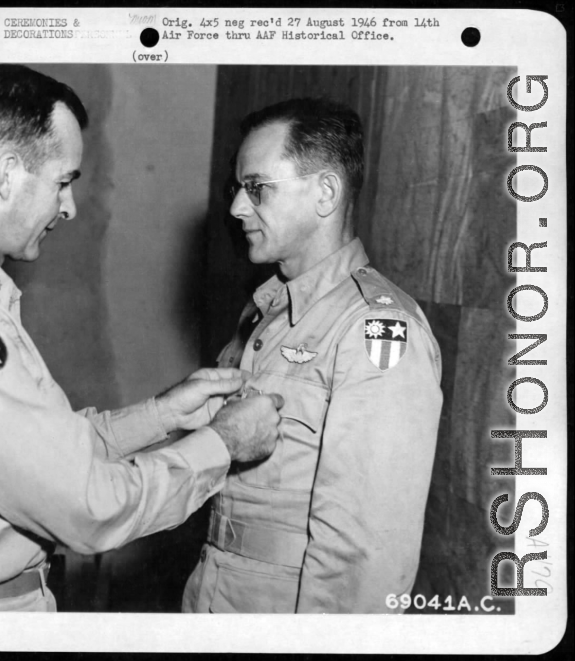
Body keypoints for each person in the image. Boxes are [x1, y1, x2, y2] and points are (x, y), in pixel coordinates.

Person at [0, 64, 284, 612]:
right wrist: (223, 444)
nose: (69, 206)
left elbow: (40, 453)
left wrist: (163, 416)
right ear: (6, 174)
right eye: (63, 181)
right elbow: (86, 508)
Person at [181, 98, 443, 614]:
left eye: (256, 188)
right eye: (237, 188)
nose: (236, 207)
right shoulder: (267, 311)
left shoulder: (375, 329)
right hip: (216, 598)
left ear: (325, 192)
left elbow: (366, 559)